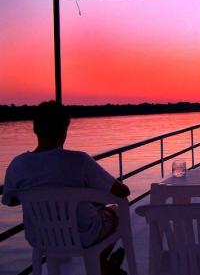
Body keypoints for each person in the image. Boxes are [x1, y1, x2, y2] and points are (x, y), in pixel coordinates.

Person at [2, 101, 129, 275]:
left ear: (35, 129)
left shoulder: (17, 165)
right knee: (116, 210)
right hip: (84, 235)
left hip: (41, 237)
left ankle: (103, 267)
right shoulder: (79, 161)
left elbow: (10, 200)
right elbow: (122, 192)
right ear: (64, 130)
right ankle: (100, 265)